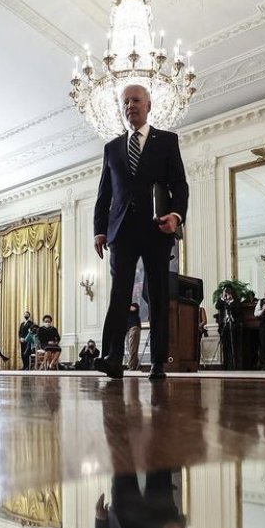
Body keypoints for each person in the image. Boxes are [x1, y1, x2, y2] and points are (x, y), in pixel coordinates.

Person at [93, 83, 189, 381]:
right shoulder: (112, 148)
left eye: (135, 100)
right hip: (121, 230)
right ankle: (112, 358)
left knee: (158, 294)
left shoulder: (167, 141)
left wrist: (176, 215)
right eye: (125, 102)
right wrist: (99, 231)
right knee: (118, 294)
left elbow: (180, 185)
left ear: (149, 105)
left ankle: (158, 362)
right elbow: (104, 194)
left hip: (156, 228)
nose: (129, 106)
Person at [215, 287, 244, 370]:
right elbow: (217, 306)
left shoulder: (236, 302)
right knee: (225, 347)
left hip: (234, 327)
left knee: (234, 347)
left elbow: (237, 311)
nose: (227, 294)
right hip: (224, 327)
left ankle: (235, 366)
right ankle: (226, 366)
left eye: (228, 292)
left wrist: (230, 302)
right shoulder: (223, 303)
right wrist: (223, 297)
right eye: (226, 292)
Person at [125, 302, 142, 371]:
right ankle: (134, 365)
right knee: (130, 348)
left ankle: (131, 366)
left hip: (134, 328)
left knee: (133, 348)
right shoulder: (127, 315)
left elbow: (135, 308)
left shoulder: (134, 309)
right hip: (128, 330)